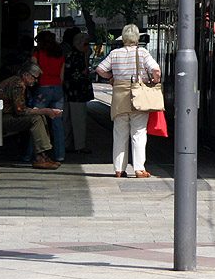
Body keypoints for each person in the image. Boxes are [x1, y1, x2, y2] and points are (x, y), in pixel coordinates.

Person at [96, 24, 161, 178]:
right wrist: (154, 81)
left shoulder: (115, 53)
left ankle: (119, 169)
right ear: (137, 37)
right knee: (138, 132)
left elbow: (99, 69)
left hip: (119, 97)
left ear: (123, 38)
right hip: (139, 96)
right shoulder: (143, 53)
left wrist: (111, 78)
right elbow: (156, 70)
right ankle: (139, 169)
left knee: (119, 133)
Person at [0, 62, 62, 170]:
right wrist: (45, 110)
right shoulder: (18, 84)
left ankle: (43, 156)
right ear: (26, 75)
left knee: (39, 116)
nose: (35, 81)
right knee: (36, 118)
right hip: (3, 119)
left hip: (5, 117)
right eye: (34, 78)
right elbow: (20, 111)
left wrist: (40, 111)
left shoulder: (16, 81)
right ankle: (40, 157)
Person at [30, 30, 67, 161]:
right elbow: (62, 76)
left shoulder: (38, 53)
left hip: (42, 88)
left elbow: (33, 70)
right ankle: (60, 155)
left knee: (35, 119)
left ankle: (31, 154)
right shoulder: (60, 55)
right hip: (57, 88)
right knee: (57, 123)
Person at [64, 32, 95, 155]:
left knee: (67, 119)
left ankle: (67, 144)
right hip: (77, 92)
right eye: (86, 43)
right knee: (79, 119)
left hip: (69, 91)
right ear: (80, 43)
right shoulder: (78, 56)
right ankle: (79, 146)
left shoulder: (71, 54)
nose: (89, 47)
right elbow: (82, 73)